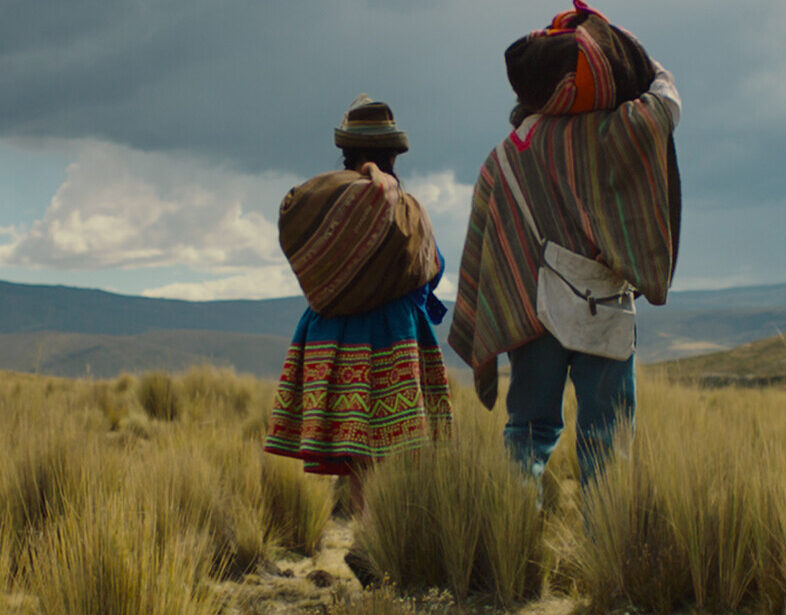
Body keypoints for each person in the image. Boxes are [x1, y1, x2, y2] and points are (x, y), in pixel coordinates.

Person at [448, 2, 681, 499]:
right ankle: (605, 555)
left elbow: (485, 251)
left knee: (527, 434)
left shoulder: (505, 157)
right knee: (608, 441)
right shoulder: (617, 131)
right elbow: (667, 105)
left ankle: (514, 551)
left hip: (530, 312)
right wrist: (641, 61)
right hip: (607, 308)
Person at [264, 95, 452, 515]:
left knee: (359, 456)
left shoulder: (323, 205)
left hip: (334, 338)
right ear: (393, 155)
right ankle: (384, 542)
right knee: (392, 449)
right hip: (394, 338)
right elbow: (431, 270)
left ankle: (366, 529)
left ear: (345, 152)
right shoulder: (409, 209)